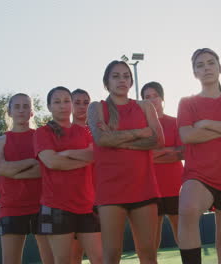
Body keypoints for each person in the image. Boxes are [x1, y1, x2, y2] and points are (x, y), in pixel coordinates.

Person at [87, 60, 164, 264]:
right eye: (116, 76)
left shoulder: (145, 106)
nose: (122, 80)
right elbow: (102, 139)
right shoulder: (96, 108)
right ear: (106, 82)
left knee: (148, 253)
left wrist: (117, 140)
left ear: (131, 81)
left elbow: (157, 139)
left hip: (143, 187)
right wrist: (139, 133)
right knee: (111, 254)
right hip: (110, 191)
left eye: (126, 76)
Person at [177, 48, 221, 264]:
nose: (206, 67)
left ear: (219, 68)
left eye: (210, 63)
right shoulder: (187, 102)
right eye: (200, 65)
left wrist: (207, 124)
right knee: (188, 209)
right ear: (194, 73)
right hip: (199, 175)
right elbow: (188, 135)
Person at [34, 86, 102, 264]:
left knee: (100, 258)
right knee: (64, 260)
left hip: (87, 206)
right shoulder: (42, 133)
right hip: (56, 206)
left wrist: (66, 153)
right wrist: (82, 159)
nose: (63, 105)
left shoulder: (85, 132)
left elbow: (94, 155)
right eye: (57, 102)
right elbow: (52, 162)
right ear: (49, 106)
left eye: (66, 101)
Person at [0, 93, 54, 264]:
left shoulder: (42, 137)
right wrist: (31, 162)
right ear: (9, 112)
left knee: (52, 260)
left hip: (43, 206)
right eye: (16, 106)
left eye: (26, 106)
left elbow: (45, 169)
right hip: (11, 207)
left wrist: (13, 172)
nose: (21, 110)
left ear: (32, 112)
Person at [140, 81, 183, 249]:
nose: (152, 100)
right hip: (150, 188)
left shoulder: (175, 122)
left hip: (176, 186)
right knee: (151, 243)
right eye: (147, 97)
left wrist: (153, 155)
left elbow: (182, 153)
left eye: (155, 96)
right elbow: (141, 157)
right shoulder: (141, 128)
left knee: (183, 236)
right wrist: (168, 151)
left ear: (162, 98)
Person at [70, 88, 93, 264]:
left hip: (97, 202)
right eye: (77, 102)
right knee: (73, 257)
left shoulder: (97, 132)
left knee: (102, 256)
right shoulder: (61, 133)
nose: (81, 107)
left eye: (85, 103)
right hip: (70, 203)